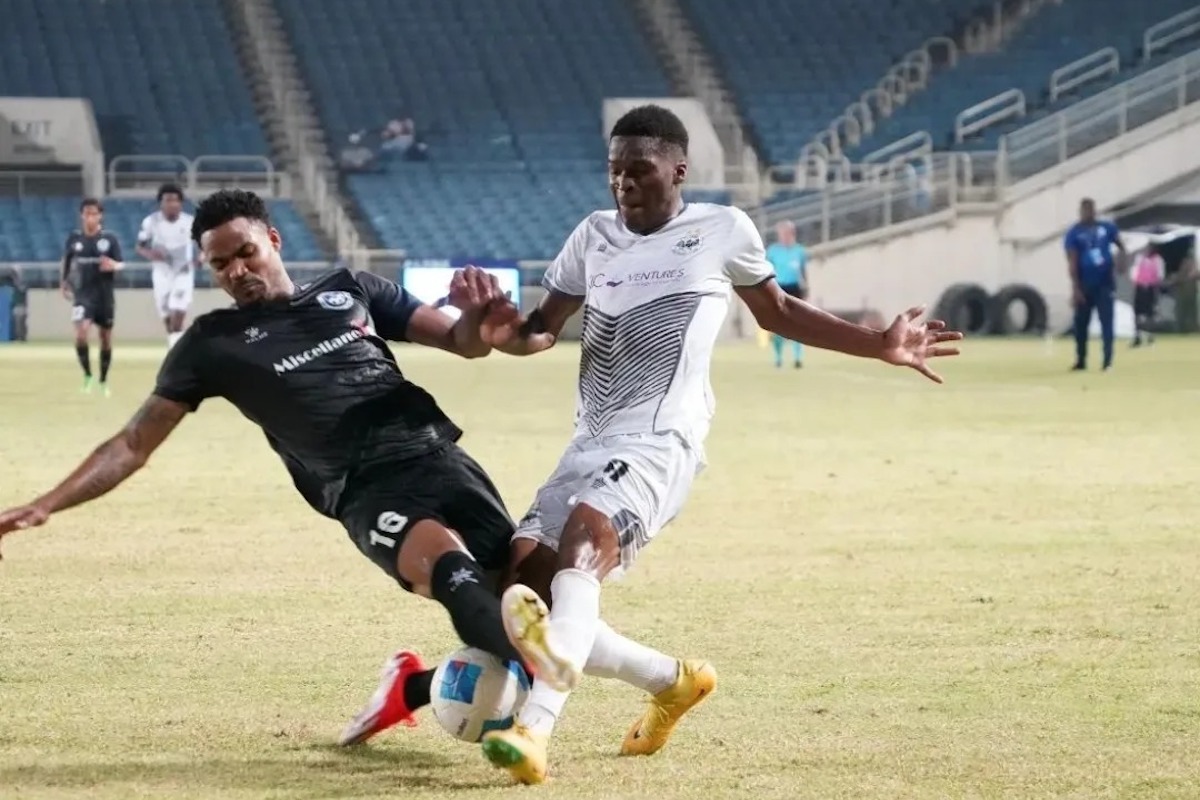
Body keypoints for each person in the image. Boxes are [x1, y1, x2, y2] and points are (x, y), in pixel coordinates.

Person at [461, 104, 964, 784]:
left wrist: (878, 344)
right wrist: (501, 333)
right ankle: (674, 681)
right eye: (614, 173)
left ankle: (534, 730)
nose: (623, 185)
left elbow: (778, 311)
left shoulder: (722, 229)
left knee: (585, 542)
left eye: (638, 170)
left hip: (662, 441)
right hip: (590, 439)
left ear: (677, 169)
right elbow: (543, 328)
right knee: (527, 591)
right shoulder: (593, 236)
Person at [0, 189, 533, 743]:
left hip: (440, 456)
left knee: (518, 602)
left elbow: (462, 343)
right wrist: (45, 505)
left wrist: (475, 316)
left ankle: (411, 690)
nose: (237, 271)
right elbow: (133, 444)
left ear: (273, 240)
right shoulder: (213, 345)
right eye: (220, 264)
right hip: (365, 491)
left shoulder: (351, 289)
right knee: (452, 576)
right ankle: (533, 720)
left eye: (245, 253)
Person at [61, 198, 124, 396]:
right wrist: (63, 282)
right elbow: (66, 260)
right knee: (81, 333)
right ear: (82, 215)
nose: (90, 217)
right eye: (87, 213)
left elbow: (121, 263)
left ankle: (103, 380)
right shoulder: (74, 239)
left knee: (105, 338)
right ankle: (87, 375)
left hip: (105, 296)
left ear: (100, 216)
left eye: (94, 213)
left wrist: (113, 265)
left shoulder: (110, 239)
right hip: (83, 294)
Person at [1064, 198, 1125, 371]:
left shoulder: (1106, 228)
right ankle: (1081, 359)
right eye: (1084, 210)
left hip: (1105, 282)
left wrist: (1122, 262)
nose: (1087, 213)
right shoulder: (1074, 233)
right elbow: (1072, 260)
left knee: (1107, 322)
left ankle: (1107, 361)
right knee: (1081, 324)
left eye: (1089, 210)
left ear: (1094, 210)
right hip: (1084, 283)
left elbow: (1121, 245)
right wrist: (1075, 288)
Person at [137, 183, 198, 349]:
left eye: (175, 200)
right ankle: (177, 347)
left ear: (181, 203)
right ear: (161, 203)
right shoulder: (150, 222)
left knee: (178, 314)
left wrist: (201, 258)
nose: (171, 204)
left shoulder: (190, 222)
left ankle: (175, 355)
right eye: (167, 200)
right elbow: (140, 246)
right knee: (167, 318)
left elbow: (204, 244)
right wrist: (151, 254)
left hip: (183, 273)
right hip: (161, 274)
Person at [764, 220, 809, 368]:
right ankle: (778, 357)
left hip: (795, 288)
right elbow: (766, 271)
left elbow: (803, 272)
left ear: (792, 234)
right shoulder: (772, 252)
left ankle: (798, 358)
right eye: (781, 234)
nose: (783, 236)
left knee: (798, 324)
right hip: (779, 288)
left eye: (786, 233)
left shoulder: (800, 251)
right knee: (778, 325)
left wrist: (806, 289)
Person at [1131, 242, 1164, 347]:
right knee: (1137, 313)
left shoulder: (1157, 260)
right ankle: (1137, 336)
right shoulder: (1140, 258)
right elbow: (1134, 271)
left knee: (1151, 313)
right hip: (1140, 287)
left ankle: (1150, 337)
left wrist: (1154, 284)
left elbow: (1160, 274)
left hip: (1151, 288)